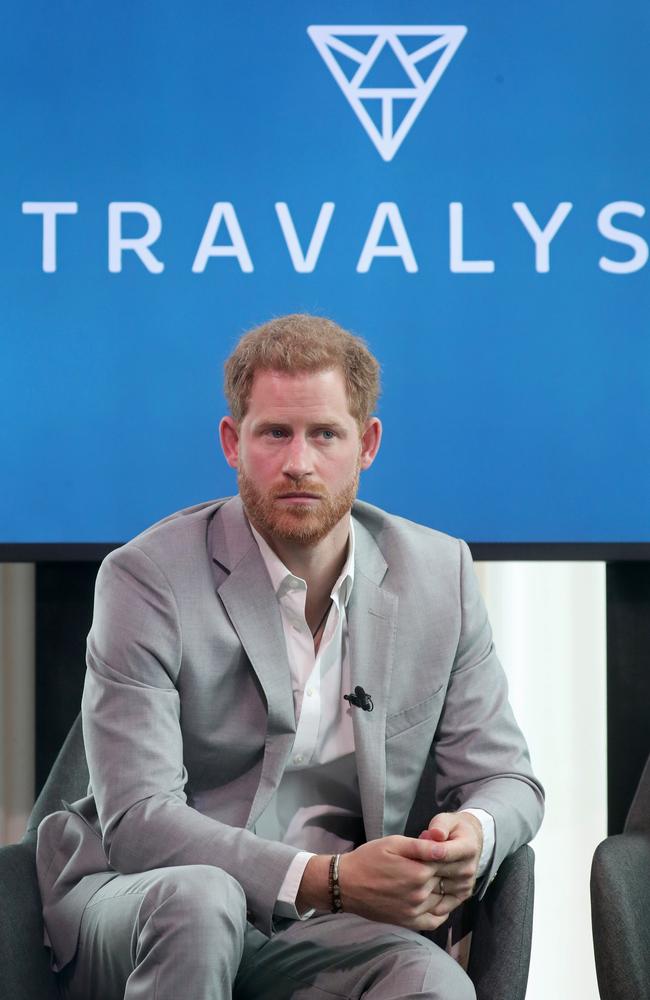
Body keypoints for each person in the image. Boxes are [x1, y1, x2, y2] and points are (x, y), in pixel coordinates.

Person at [37, 314, 544, 1000]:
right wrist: (325, 879)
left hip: (327, 927)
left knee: (434, 985)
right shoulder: (146, 577)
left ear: (366, 444)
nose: (298, 463)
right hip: (144, 901)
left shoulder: (439, 575)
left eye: (324, 434)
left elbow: (510, 780)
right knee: (202, 901)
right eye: (275, 433)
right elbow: (138, 822)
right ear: (232, 443)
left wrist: (470, 836)